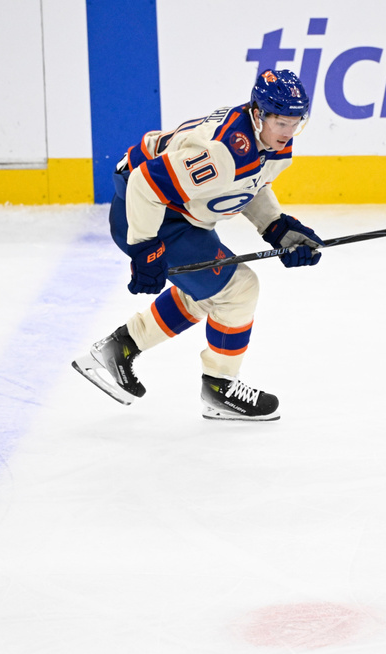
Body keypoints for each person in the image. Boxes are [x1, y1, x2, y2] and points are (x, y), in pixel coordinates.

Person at [73, 69, 323, 421]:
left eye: (297, 122)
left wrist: (277, 227)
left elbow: (248, 181)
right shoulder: (223, 152)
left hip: (176, 212)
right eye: (282, 122)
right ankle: (220, 388)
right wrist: (145, 249)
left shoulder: (265, 140)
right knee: (237, 290)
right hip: (144, 211)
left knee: (211, 290)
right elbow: (145, 184)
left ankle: (118, 349)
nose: (289, 132)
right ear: (259, 113)